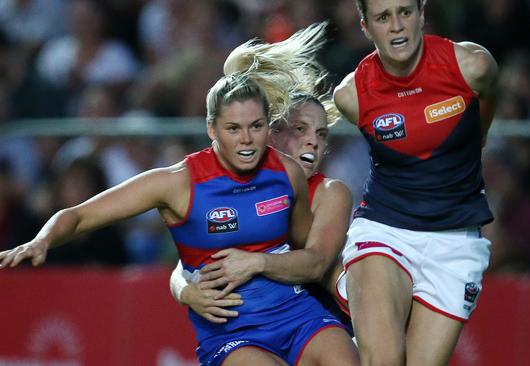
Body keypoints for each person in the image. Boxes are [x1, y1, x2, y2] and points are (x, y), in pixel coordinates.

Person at [0, 59, 357, 366]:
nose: (247, 139)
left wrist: (261, 264)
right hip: (232, 330)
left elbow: (309, 259)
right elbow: (79, 215)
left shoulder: (287, 173)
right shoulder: (176, 184)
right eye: (233, 128)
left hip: (298, 315)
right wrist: (43, 238)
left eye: (256, 126)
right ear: (211, 128)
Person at [332, 0, 499, 365]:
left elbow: (488, 99)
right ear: (365, 26)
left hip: (456, 243)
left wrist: (478, 138)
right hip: (384, 229)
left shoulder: (472, 65)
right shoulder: (351, 95)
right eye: (382, 17)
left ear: (421, 14)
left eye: (405, 12)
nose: (396, 26)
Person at [169, 23, 355, 333]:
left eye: (321, 134)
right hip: (263, 324)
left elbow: (316, 264)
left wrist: (255, 263)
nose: (313, 142)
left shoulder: (330, 192)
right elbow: (190, 259)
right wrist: (186, 290)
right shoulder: (243, 186)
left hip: (331, 322)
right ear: (270, 133)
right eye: (300, 130)